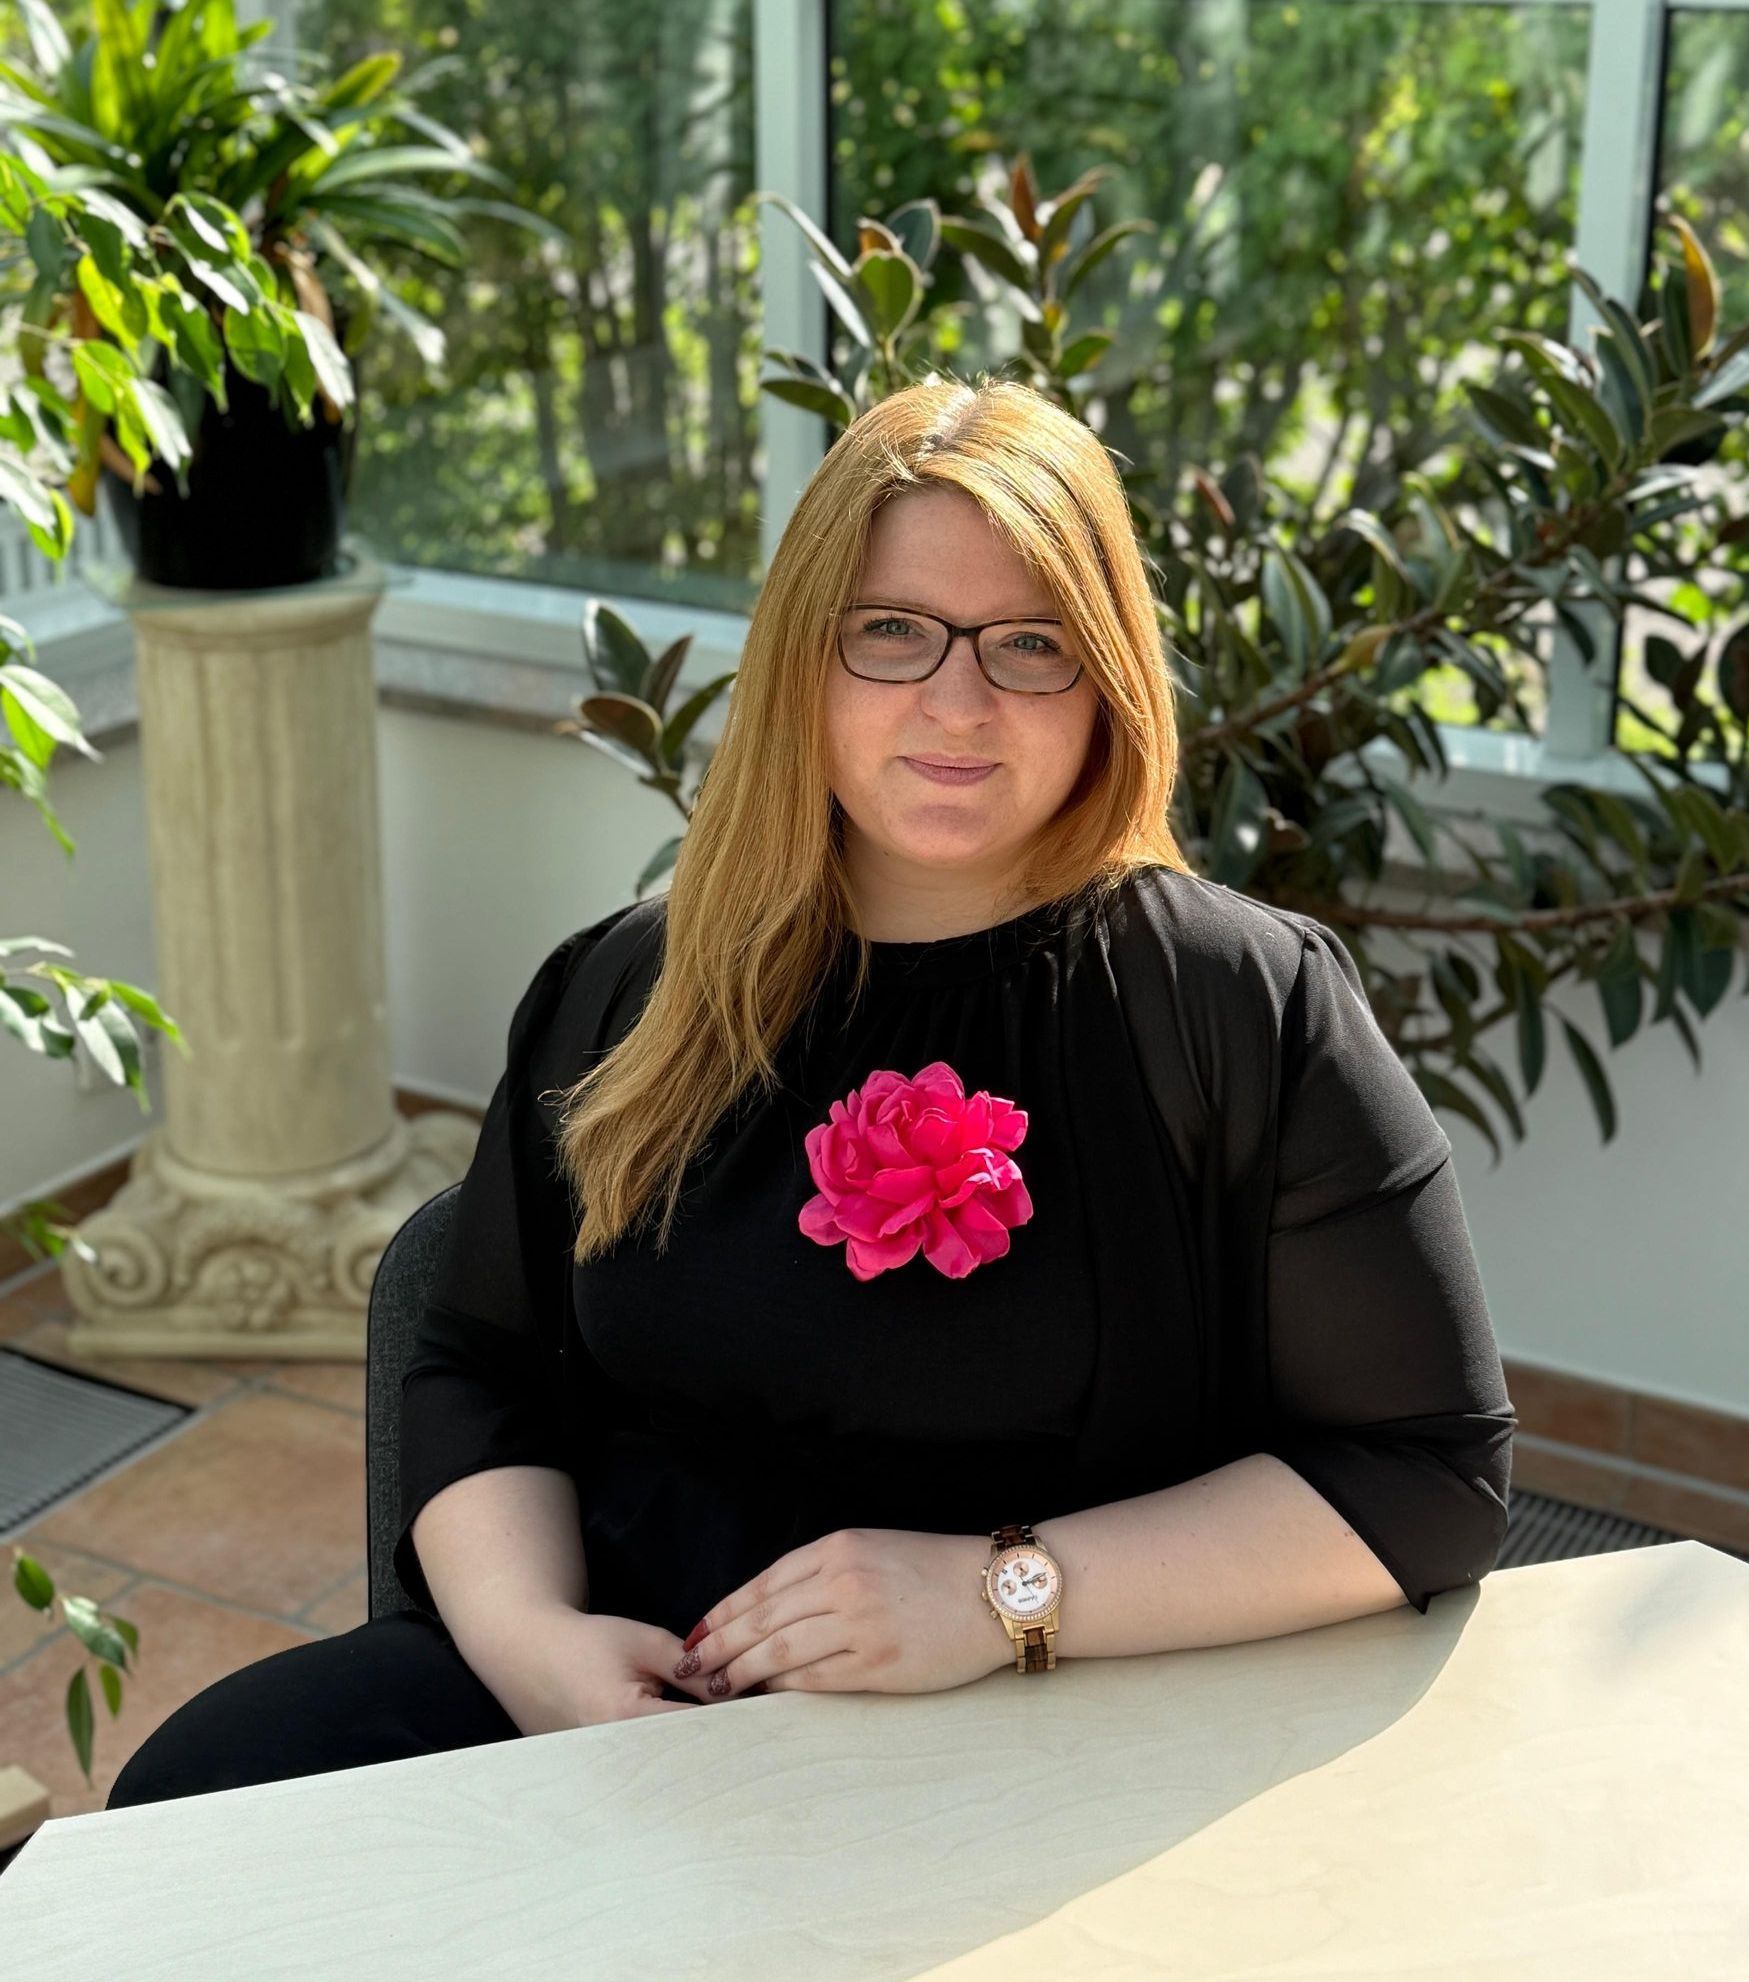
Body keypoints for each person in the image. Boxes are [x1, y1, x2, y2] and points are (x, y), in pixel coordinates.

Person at [105, 374, 1514, 1808]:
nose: (956, 702)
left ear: (1106, 677)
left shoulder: (1242, 1008)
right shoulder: (624, 986)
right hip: (622, 1706)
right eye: (890, 631)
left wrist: (1001, 1595)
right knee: (187, 1797)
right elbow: (478, 1364)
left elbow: (1425, 1471)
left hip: (1051, 1726)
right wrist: (535, 1649)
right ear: (802, 661)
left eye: (1030, 643)